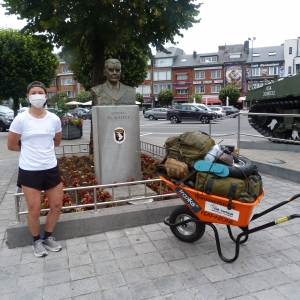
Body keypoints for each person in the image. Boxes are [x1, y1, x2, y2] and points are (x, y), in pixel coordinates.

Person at [7, 81, 63, 257]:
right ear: (28, 96)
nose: (37, 95)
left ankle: (47, 237)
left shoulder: (53, 119)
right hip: (29, 170)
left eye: (40, 92)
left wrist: (42, 149)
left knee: (56, 205)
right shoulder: (21, 119)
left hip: (50, 168)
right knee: (34, 209)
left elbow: (57, 141)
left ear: (46, 96)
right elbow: (11, 145)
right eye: (33, 92)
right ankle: (36, 240)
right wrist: (31, 151)